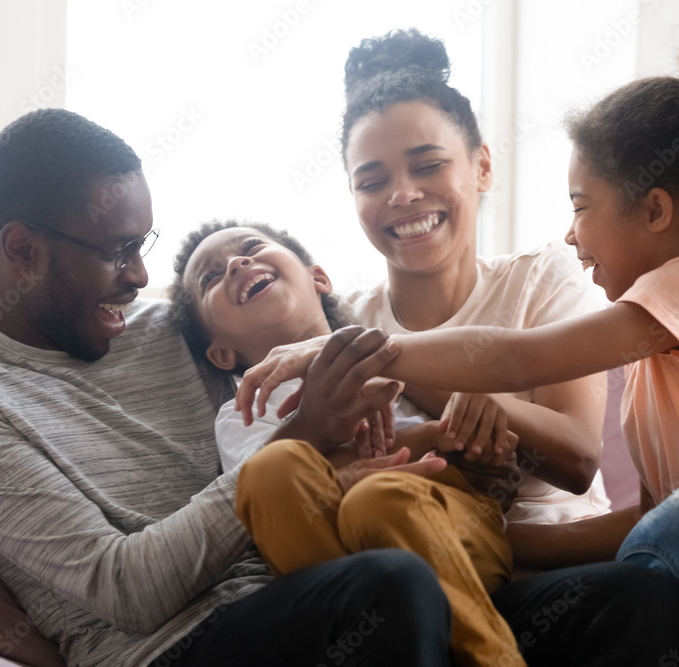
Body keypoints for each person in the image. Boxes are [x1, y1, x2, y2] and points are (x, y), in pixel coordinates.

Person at [240, 23, 679, 664]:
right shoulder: (653, 370)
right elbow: (638, 527)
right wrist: (485, 538)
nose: (569, 234)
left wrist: (352, 350)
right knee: (675, 525)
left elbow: (518, 356)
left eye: (582, 206)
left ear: (653, 211)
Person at [0, 108, 457, 667]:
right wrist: (305, 434)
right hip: (169, 648)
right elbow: (122, 589)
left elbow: (309, 341)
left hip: (305, 586)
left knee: (543, 600)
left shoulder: (165, 325)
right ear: (23, 250)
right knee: (391, 587)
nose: (140, 277)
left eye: (142, 245)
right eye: (116, 251)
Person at [245, 29, 615, 567]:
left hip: (556, 566)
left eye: (428, 165)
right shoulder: (346, 318)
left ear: (482, 167)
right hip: (411, 564)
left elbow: (578, 461)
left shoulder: (539, 278)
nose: (402, 194)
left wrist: (444, 382)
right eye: (371, 181)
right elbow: (338, 476)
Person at [168, 219, 526, 666]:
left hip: (448, 528)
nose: (237, 263)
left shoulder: (395, 355)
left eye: (252, 247)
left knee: (380, 498)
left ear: (318, 278)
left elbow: (464, 439)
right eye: (210, 277)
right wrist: (422, 440)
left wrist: (471, 429)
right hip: (344, 559)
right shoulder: (242, 414)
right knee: (269, 470)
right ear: (221, 353)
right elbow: (283, 500)